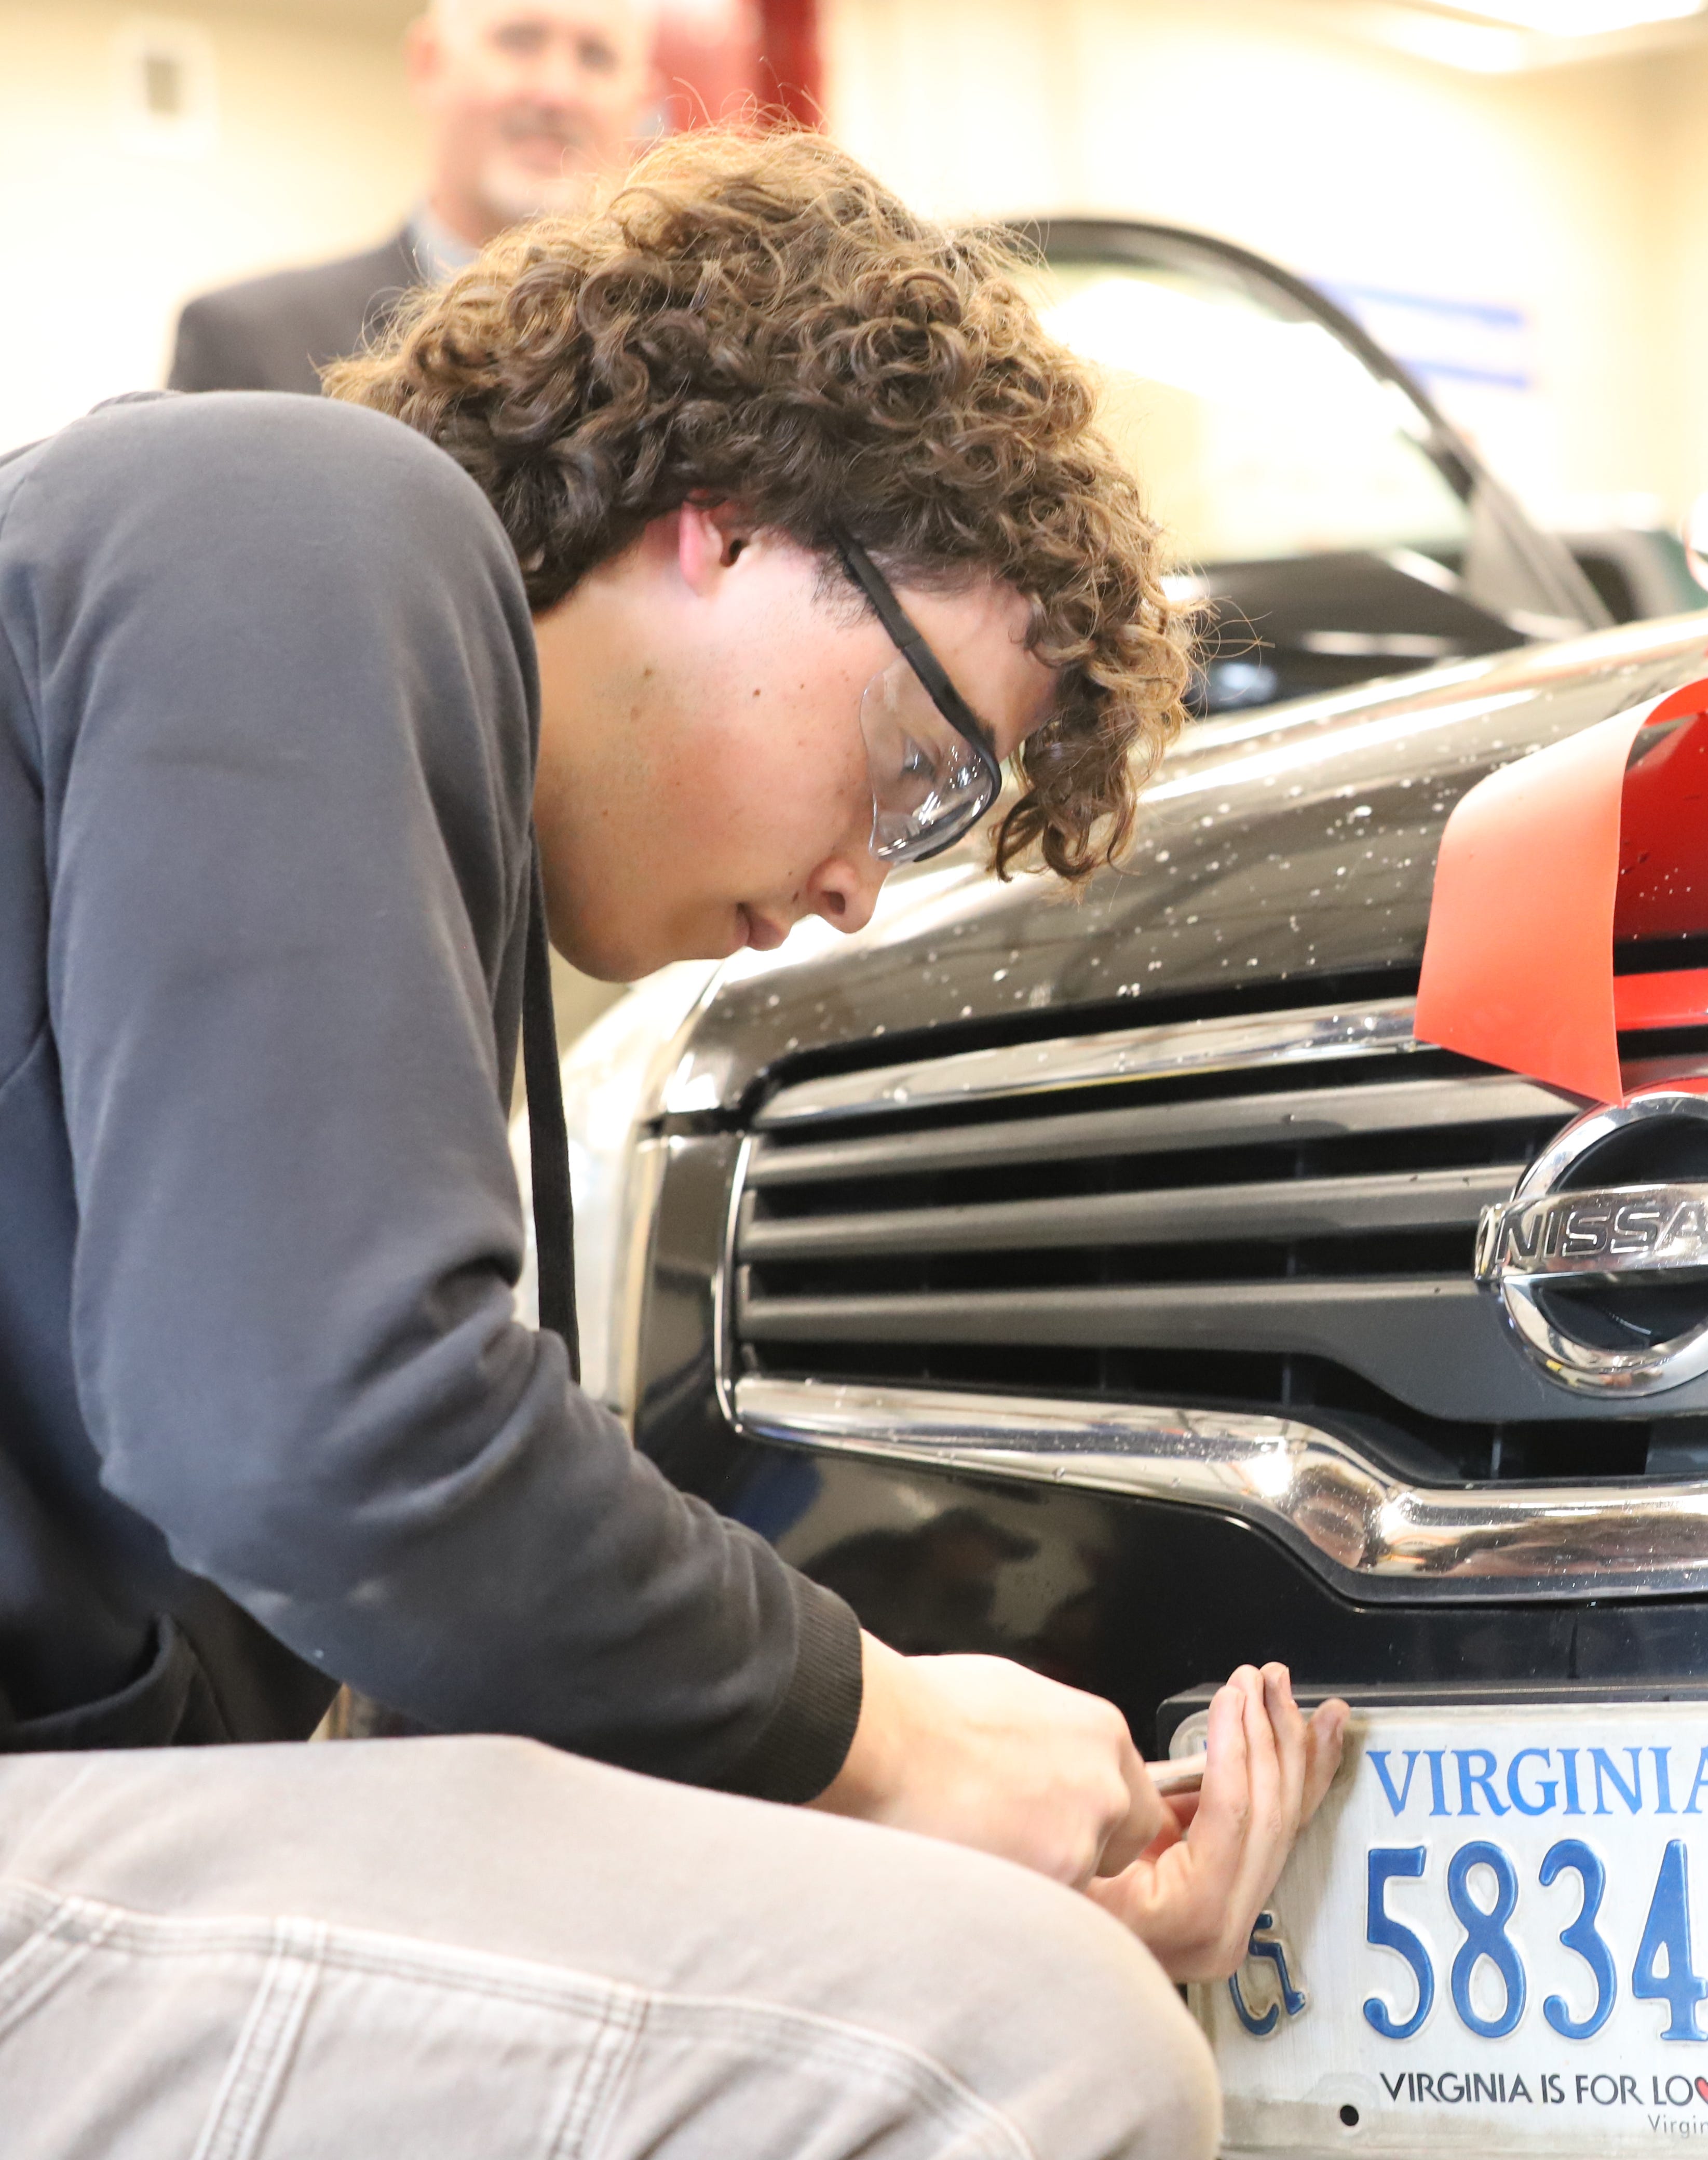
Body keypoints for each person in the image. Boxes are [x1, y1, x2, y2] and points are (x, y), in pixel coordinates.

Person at [2, 130, 1347, 2152]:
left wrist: (915, 1822)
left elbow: (345, 1599)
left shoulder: (336, 743)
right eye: (911, 777)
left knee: (969, 1956)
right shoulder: (306, 521)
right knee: (1027, 2044)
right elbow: (329, 1439)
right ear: (719, 523)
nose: (856, 892)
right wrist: (890, 1739)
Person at [167, 0, 657, 395]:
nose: (556, 92)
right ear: (428, 63)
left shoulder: (668, 361)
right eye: (520, 42)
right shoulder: (254, 349)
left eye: (596, 57)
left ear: (641, 104)